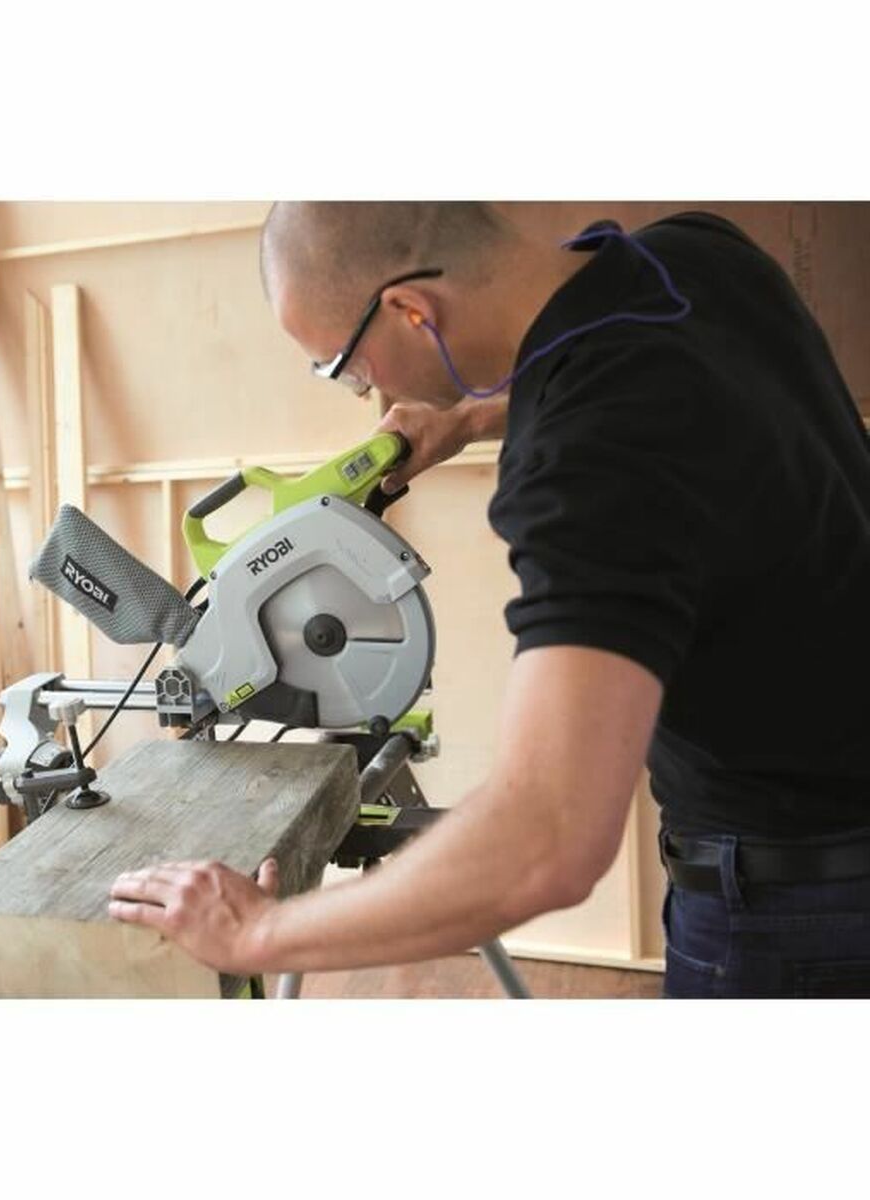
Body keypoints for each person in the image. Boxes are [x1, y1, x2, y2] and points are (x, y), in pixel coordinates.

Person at [109, 202, 870, 998]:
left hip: (797, 904)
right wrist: (470, 416)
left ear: (412, 310)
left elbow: (549, 838)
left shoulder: (583, 468)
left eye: (346, 368)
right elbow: (649, 377)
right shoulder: (697, 253)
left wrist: (256, 931)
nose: (366, 389)